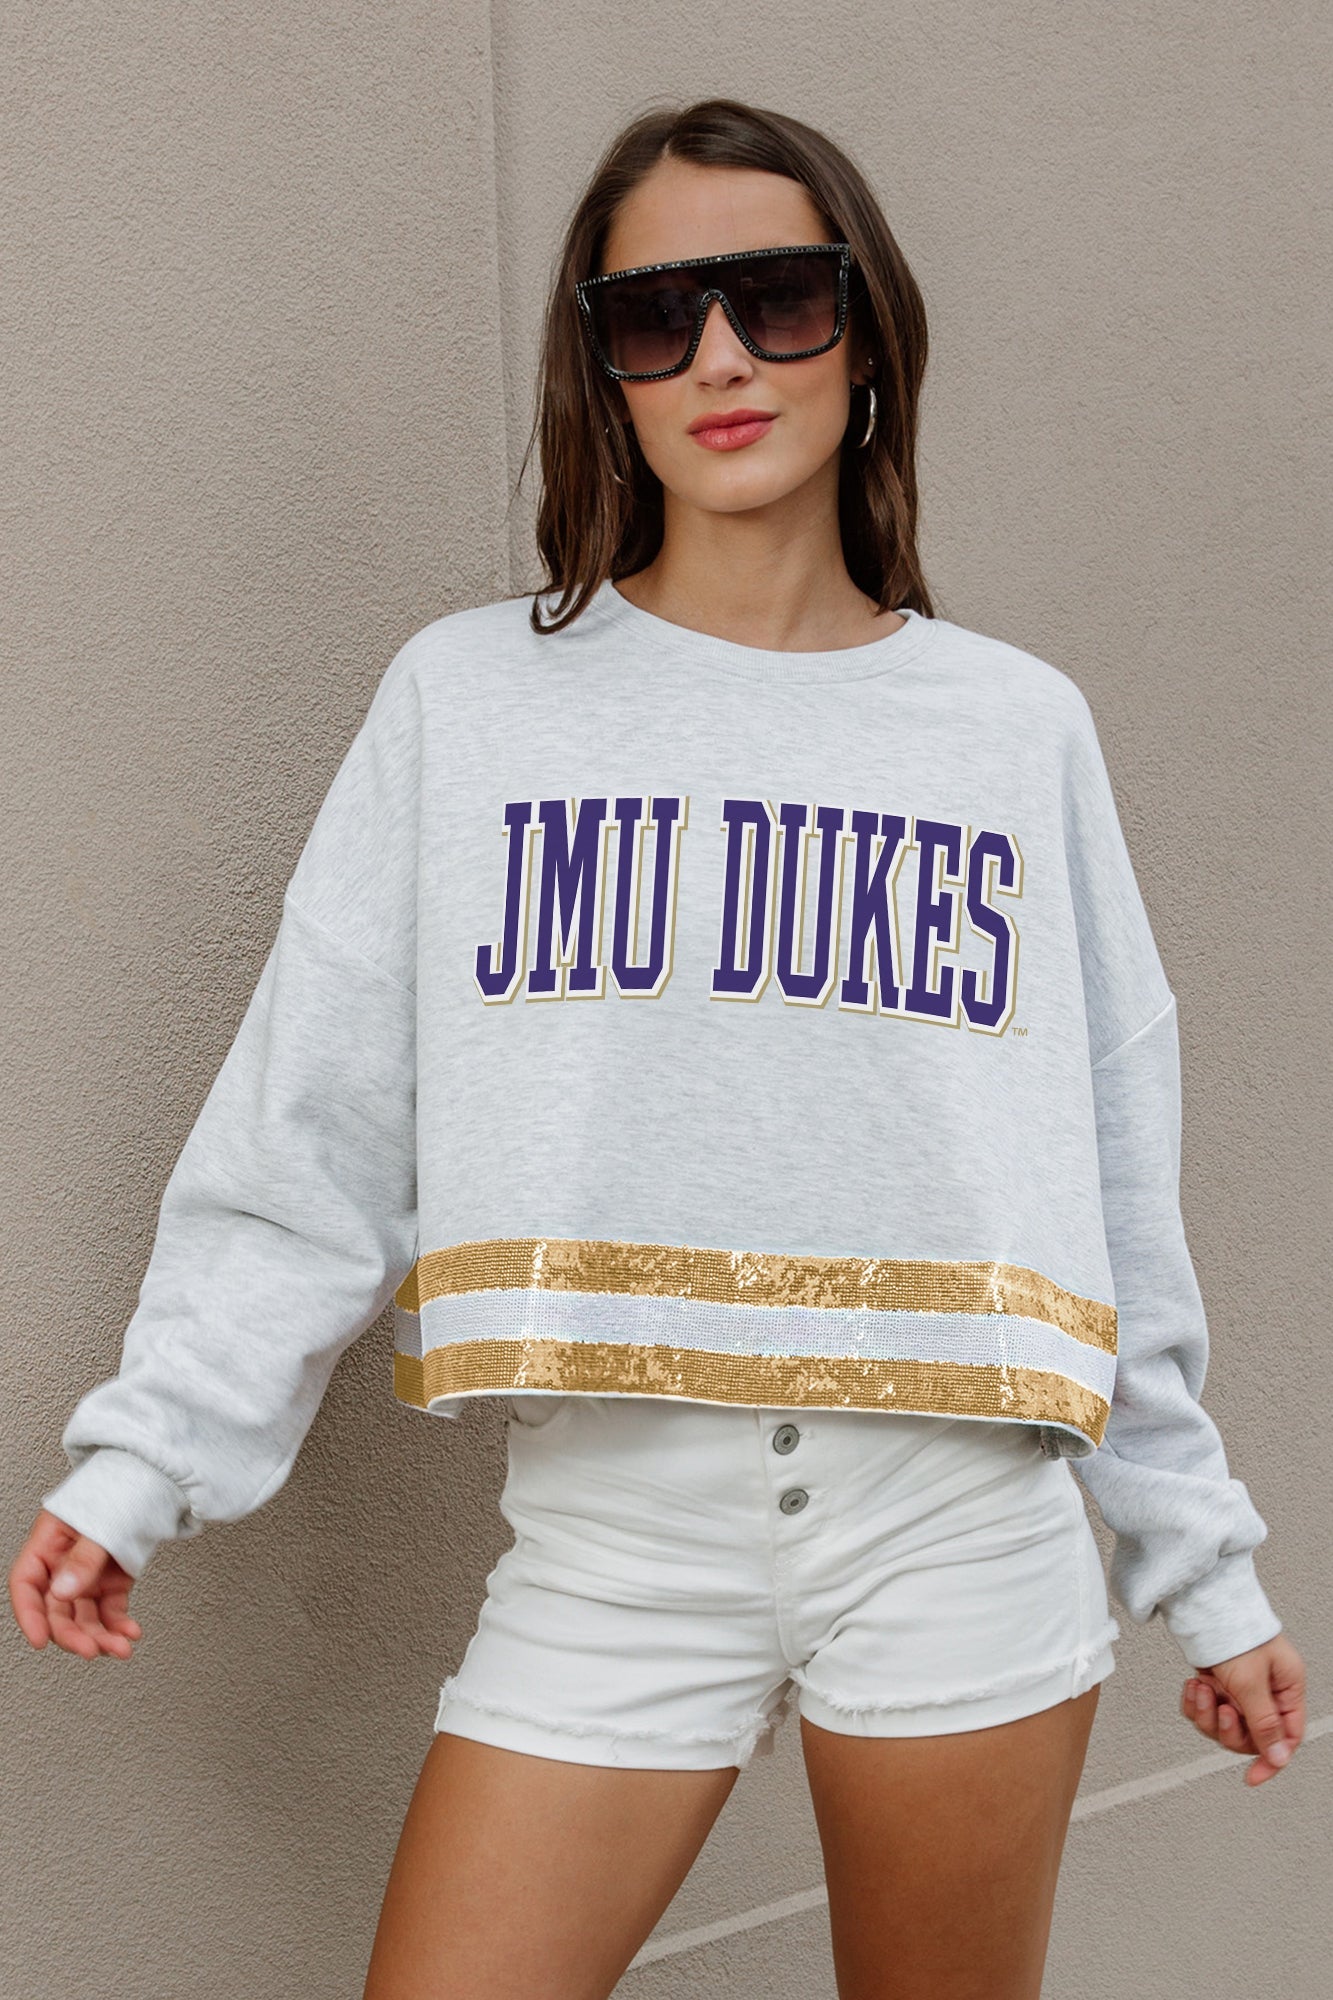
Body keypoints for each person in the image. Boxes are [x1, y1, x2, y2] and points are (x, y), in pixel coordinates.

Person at [10, 97, 1306, 2000]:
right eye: (652, 315)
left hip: (955, 1526)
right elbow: (317, 1126)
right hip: (613, 1536)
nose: (718, 356)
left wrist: (1201, 1565)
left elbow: (1106, 1170)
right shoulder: (471, 703)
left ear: (865, 338)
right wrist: (145, 1461)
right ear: (599, 377)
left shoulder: (1009, 729)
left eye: (776, 298)